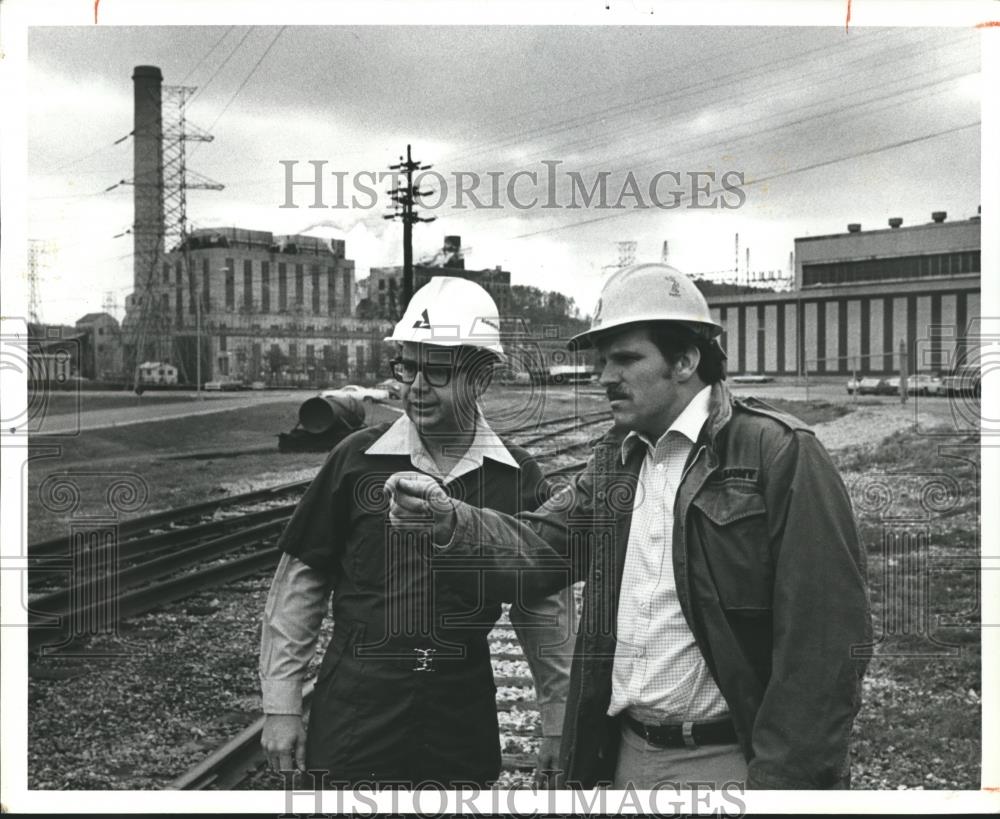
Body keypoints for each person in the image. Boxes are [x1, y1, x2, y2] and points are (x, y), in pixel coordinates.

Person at [386, 263, 873, 790]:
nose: (604, 377)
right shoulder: (617, 462)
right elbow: (538, 551)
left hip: (730, 761)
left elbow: (825, 645)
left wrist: (781, 787)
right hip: (625, 758)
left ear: (685, 359)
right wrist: (448, 518)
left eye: (625, 359)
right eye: (601, 362)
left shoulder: (777, 454)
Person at [259, 276, 574, 788]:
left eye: (439, 370)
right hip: (357, 707)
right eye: (407, 365)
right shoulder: (356, 460)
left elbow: (544, 608)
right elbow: (301, 582)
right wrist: (281, 705)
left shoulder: (515, 478)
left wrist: (557, 721)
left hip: (458, 711)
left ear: (482, 377)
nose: (416, 386)